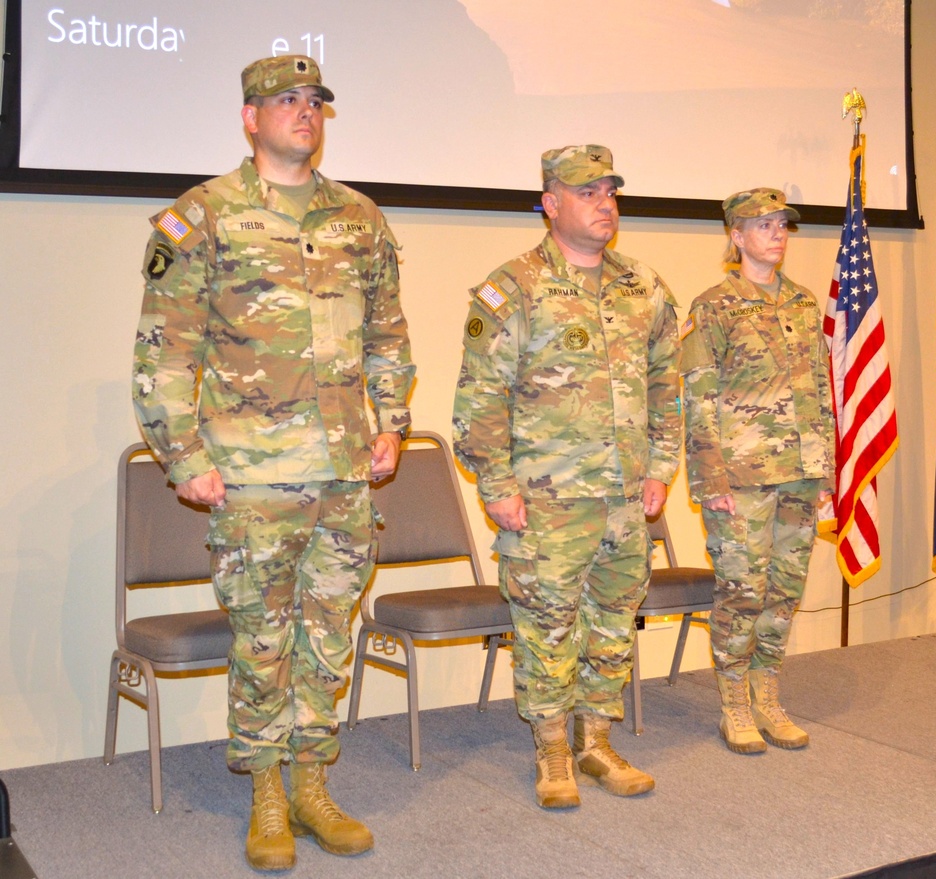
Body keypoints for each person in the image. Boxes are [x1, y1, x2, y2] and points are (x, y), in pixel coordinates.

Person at [132, 55, 415, 871]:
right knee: (263, 637)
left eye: (314, 100)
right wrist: (181, 454)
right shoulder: (202, 217)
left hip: (344, 471)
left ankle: (312, 782)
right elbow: (164, 350)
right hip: (252, 476)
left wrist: (393, 421)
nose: (304, 111)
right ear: (250, 117)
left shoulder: (360, 218)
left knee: (328, 632)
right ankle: (265, 791)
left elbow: (388, 331)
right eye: (285, 100)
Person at [453, 145, 680, 809]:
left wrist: (662, 466)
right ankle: (553, 749)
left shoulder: (644, 285)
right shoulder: (513, 287)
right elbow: (480, 398)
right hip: (547, 501)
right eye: (587, 191)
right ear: (551, 203)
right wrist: (496, 484)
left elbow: (668, 382)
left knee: (613, 622)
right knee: (547, 627)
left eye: (610, 189)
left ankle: (596, 741)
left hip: (623, 498)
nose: (604, 202)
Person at [680, 188, 834, 755]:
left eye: (782, 224)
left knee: (785, 589)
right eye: (763, 224)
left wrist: (827, 472)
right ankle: (734, 705)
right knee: (743, 591)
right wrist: (708, 481)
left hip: (800, 471)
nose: (777, 232)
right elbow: (696, 402)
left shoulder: (802, 302)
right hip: (741, 477)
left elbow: (821, 389)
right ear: (736, 237)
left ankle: (768, 695)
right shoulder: (711, 307)